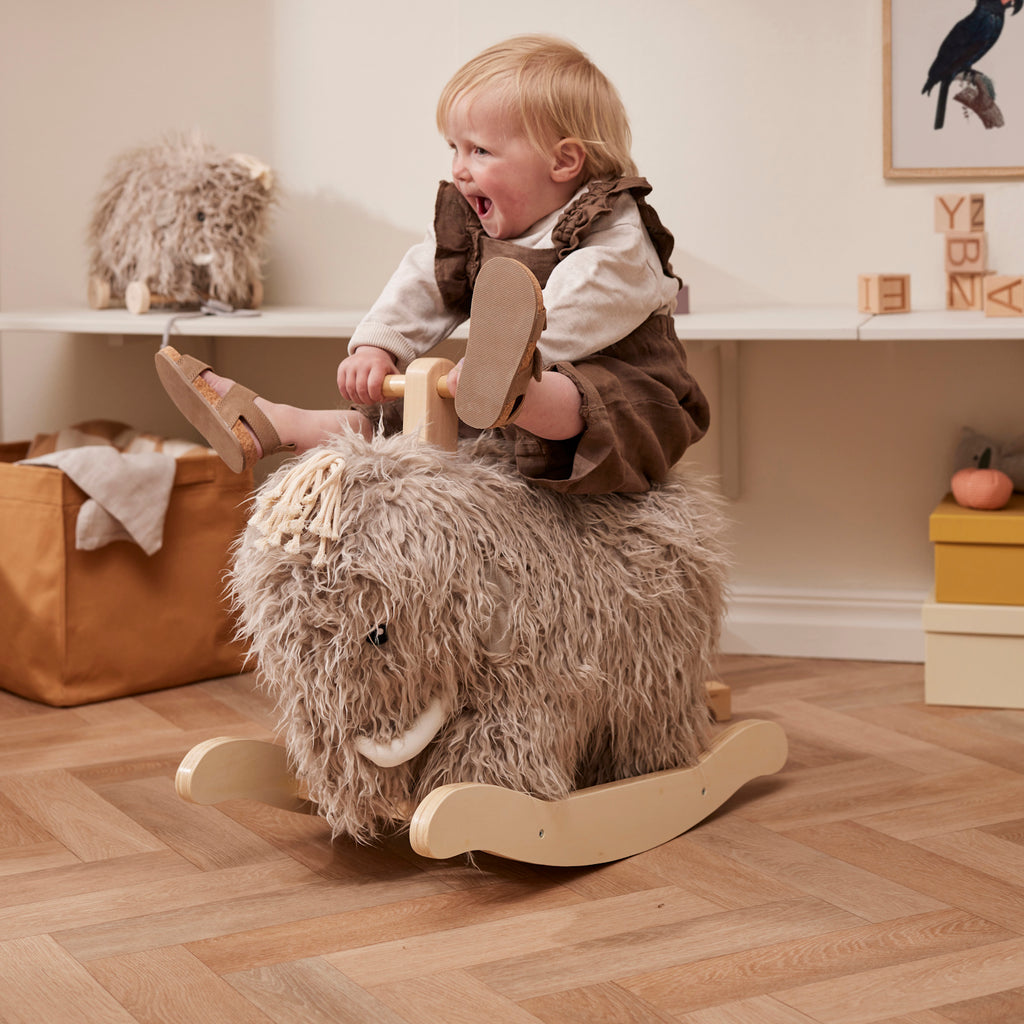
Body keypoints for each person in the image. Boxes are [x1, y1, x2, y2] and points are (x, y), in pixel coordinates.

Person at [156, 34, 709, 494]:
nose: (460, 169)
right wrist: (381, 344)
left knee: (581, 396)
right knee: (401, 417)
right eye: (455, 148)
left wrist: (520, 360)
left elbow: (592, 291)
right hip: (491, 397)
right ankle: (278, 423)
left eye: (481, 151)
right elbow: (424, 276)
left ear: (563, 161)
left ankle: (518, 388)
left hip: (620, 396)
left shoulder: (611, 224)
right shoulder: (470, 226)